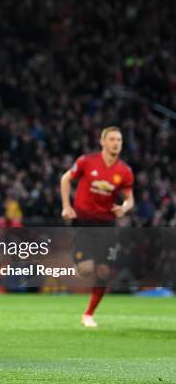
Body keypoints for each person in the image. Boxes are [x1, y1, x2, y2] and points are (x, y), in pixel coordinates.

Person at [60, 126, 135, 328]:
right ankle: (78, 261)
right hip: (84, 221)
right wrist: (66, 206)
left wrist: (125, 208)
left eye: (119, 140)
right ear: (103, 142)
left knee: (104, 272)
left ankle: (88, 314)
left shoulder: (125, 171)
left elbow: (130, 199)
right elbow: (66, 178)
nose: (116, 143)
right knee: (86, 270)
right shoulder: (87, 161)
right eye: (111, 139)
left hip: (106, 224)